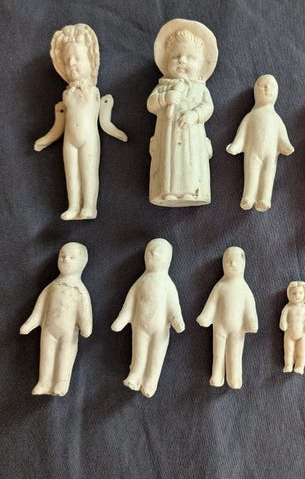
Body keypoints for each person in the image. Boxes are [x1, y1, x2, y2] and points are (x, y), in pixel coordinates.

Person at [34, 23, 127, 220]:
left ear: (91, 61)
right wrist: (46, 139)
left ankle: (89, 207)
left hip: (89, 140)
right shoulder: (66, 95)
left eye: (78, 58)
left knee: (88, 173)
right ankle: (73, 206)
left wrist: (117, 132)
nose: (72, 64)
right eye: (67, 61)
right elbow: (59, 125)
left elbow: (104, 121)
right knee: (71, 174)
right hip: (69, 141)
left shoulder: (94, 92)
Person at [147, 19, 218, 206]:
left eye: (190, 57)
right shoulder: (164, 86)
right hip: (167, 136)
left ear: (201, 64)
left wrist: (194, 115)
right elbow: (151, 104)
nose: (182, 61)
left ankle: (192, 191)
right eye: (176, 56)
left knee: (190, 162)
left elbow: (208, 107)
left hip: (192, 136)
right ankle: (167, 191)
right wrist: (165, 98)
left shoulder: (200, 88)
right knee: (169, 162)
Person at [111, 239, 185, 398]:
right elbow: (130, 303)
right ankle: (135, 374)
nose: (154, 253)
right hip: (139, 327)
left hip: (160, 330)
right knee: (139, 351)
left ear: (168, 258)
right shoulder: (140, 282)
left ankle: (151, 381)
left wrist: (176, 319)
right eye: (150, 251)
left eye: (159, 251)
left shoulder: (167, 284)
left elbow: (173, 305)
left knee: (156, 356)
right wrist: (122, 319)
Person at [20, 243, 92, 396]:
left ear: (83, 262)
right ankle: (43, 382)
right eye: (62, 256)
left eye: (72, 257)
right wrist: (30, 323)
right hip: (48, 330)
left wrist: (86, 327)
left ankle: (61, 383)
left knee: (65, 356)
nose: (65, 260)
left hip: (68, 333)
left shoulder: (80, 290)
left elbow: (84, 309)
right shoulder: (51, 287)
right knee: (46, 355)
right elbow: (40, 308)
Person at [226, 74, 294, 212]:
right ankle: (248, 196)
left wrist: (286, 146)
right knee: (251, 172)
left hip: (271, 154)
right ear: (255, 91)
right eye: (263, 86)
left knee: (268, 174)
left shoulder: (276, 118)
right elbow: (242, 133)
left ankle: (265, 198)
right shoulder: (250, 116)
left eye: (271, 86)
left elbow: (281, 135)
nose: (267, 89)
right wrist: (236, 146)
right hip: (253, 152)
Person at [197, 247, 258, 389]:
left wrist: (251, 322)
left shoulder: (245, 290)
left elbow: (249, 308)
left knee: (235, 354)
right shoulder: (220, 286)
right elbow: (212, 303)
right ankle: (217, 375)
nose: (232, 264)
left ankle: (234, 377)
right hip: (220, 327)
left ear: (243, 264)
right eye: (228, 261)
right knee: (218, 353)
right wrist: (206, 316)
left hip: (237, 329)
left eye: (235, 261)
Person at [279, 281, 305, 375]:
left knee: (302, 352)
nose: (297, 295)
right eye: (294, 293)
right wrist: (283, 323)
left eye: (300, 293)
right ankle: (288, 365)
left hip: (303, 334)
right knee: (288, 351)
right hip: (289, 334)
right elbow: (283, 319)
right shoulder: (287, 308)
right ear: (289, 294)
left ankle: (300, 366)